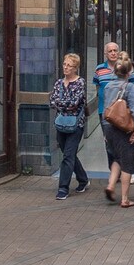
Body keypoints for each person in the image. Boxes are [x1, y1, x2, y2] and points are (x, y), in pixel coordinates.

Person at [100, 51, 134, 207]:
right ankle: (125, 199)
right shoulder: (130, 87)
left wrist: (105, 131)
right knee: (127, 162)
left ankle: (111, 185)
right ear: (129, 71)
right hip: (123, 128)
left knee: (116, 158)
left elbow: (106, 109)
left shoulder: (108, 87)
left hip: (109, 126)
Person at [50, 53, 90, 199]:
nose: (66, 67)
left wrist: (61, 104)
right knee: (69, 154)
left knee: (67, 155)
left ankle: (63, 188)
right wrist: (65, 104)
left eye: (69, 65)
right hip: (61, 124)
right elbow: (52, 101)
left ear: (75, 68)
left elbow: (74, 103)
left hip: (76, 124)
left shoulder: (80, 83)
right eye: (64, 64)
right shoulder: (58, 83)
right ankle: (83, 179)